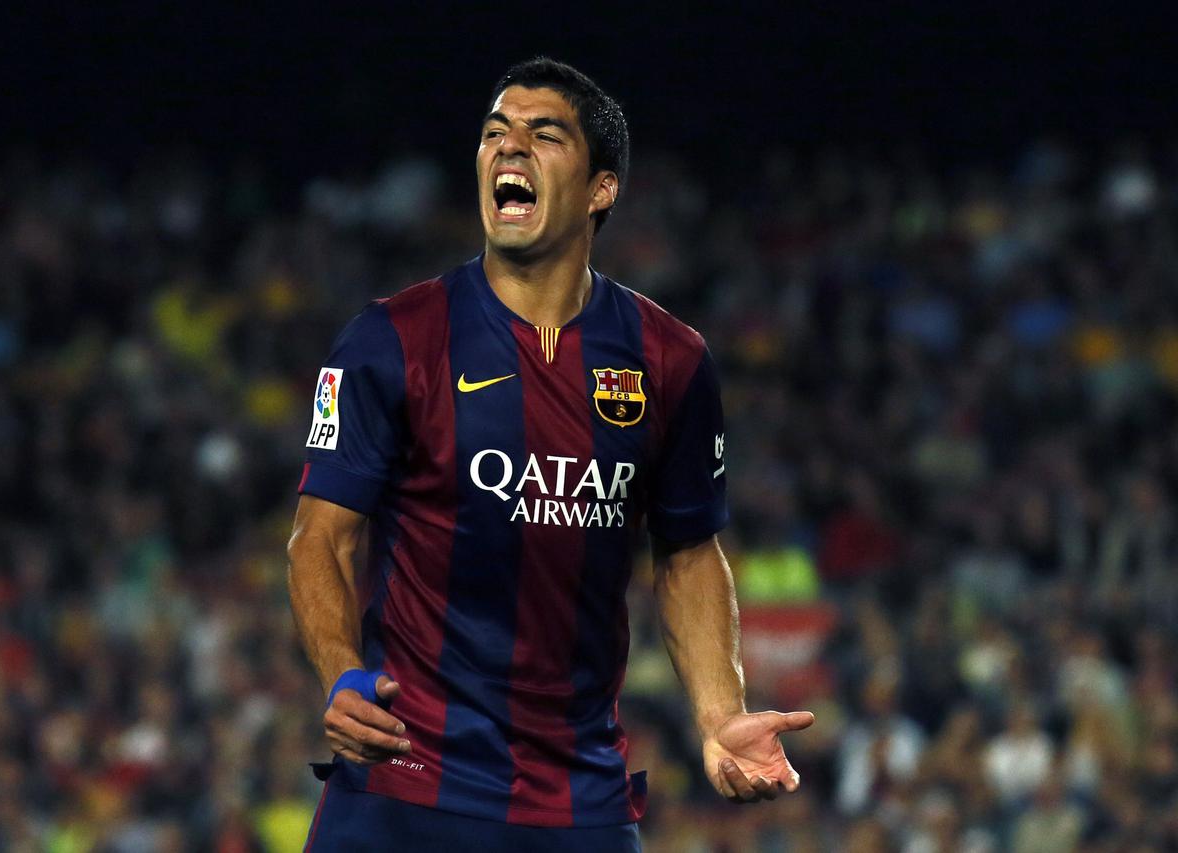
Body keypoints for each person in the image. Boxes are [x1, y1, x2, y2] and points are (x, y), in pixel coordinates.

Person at [287, 57, 814, 852]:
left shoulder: (669, 360)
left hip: (578, 805)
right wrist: (341, 672)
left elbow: (689, 553)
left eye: (543, 136)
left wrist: (719, 715)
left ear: (602, 187)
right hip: (400, 785)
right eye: (495, 134)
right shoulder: (389, 340)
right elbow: (320, 536)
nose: (509, 151)